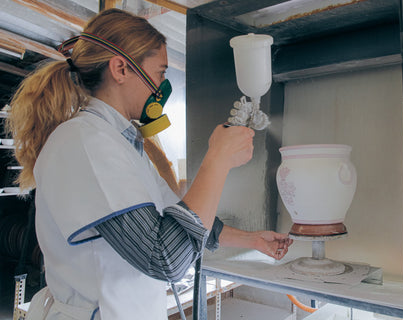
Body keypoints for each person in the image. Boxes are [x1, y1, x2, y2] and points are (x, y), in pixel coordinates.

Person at [6, 8, 292, 320]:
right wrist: (217, 160)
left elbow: (182, 218)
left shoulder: (121, 142)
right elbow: (166, 258)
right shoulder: (85, 141)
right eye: (160, 73)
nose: (162, 86)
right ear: (120, 69)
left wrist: (251, 240)